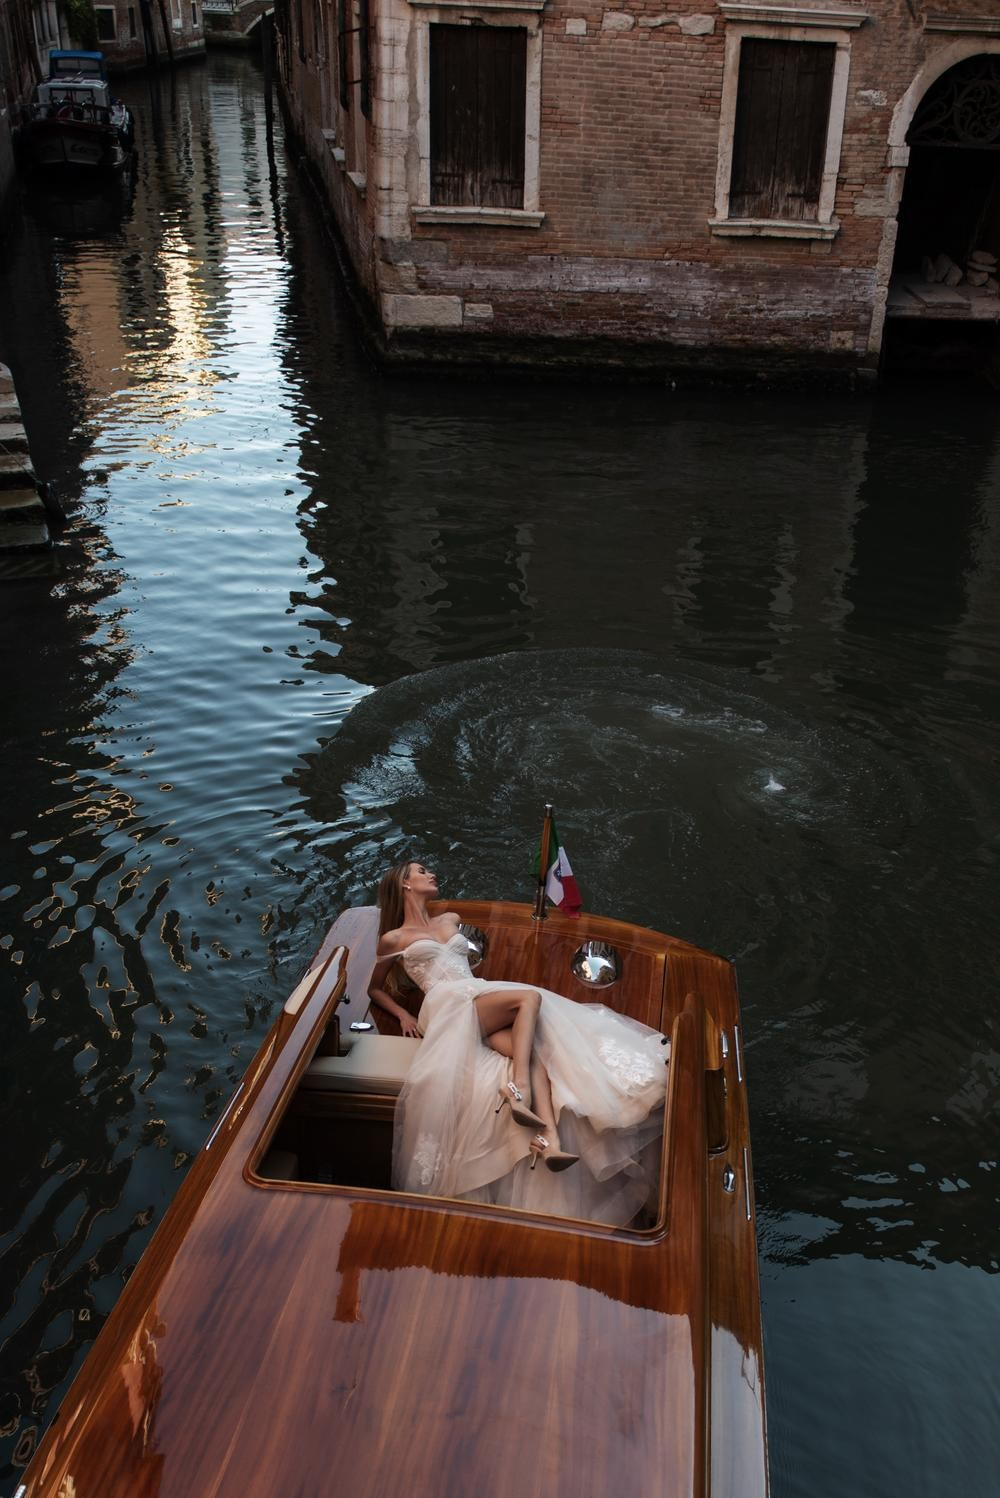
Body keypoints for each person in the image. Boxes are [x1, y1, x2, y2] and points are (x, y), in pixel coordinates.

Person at [368, 860, 670, 1227]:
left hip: (475, 1000)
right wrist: (402, 1014)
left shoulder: (450, 918)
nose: (431, 873)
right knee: (529, 999)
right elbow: (373, 986)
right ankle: (518, 1088)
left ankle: (548, 1139)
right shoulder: (394, 938)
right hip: (446, 1006)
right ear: (404, 884)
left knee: (537, 1052)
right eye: (420, 871)